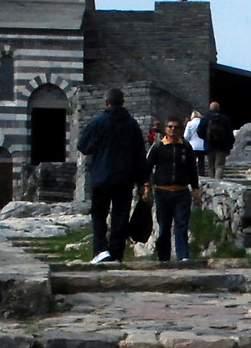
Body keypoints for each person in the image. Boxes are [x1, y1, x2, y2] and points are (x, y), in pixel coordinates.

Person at [74, 89, 147, 262]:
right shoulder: (132, 125)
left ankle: (100, 251)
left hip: (101, 177)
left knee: (99, 214)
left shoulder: (97, 122)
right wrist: (142, 181)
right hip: (125, 179)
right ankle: (116, 254)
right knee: (120, 216)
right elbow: (140, 155)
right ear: (123, 102)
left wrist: (97, 148)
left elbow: (82, 146)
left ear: (106, 103)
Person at [149, 118, 199, 263]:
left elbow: (192, 170)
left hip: (181, 191)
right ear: (166, 129)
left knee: (181, 225)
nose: (173, 130)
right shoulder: (158, 147)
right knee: (164, 226)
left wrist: (195, 190)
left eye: (176, 127)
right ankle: (163, 257)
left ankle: (183, 256)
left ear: (181, 130)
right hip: (162, 191)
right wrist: (145, 186)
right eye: (170, 127)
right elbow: (148, 167)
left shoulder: (185, 147)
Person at [199, 100, 236, 178]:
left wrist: (206, 138)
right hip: (222, 146)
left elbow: (199, 131)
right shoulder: (225, 119)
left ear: (210, 108)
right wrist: (230, 146)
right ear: (219, 109)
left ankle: (212, 184)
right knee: (220, 166)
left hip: (209, 145)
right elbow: (230, 134)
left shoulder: (205, 118)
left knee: (210, 167)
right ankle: (219, 183)